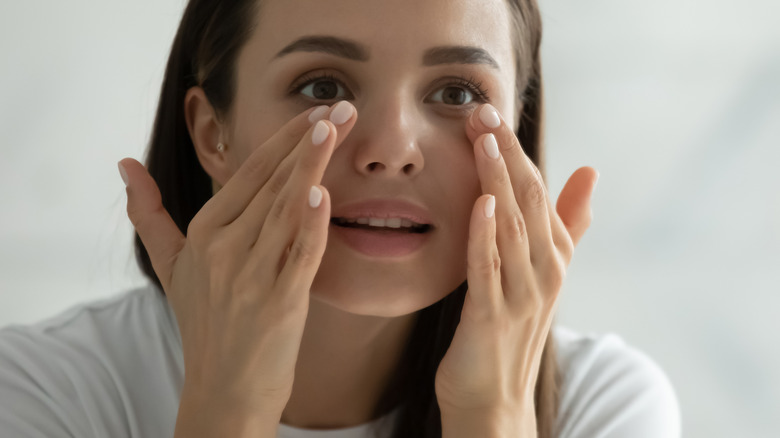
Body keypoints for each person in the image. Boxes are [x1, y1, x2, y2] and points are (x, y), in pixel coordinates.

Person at [0, 0, 681, 437]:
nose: (392, 149)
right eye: (322, 87)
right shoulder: (41, 393)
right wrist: (229, 404)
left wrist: (492, 414)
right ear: (213, 134)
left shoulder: (604, 407)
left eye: (456, 93)